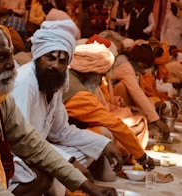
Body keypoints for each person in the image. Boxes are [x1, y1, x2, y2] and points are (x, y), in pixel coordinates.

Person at [0, 18, 120, 196]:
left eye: (10, 54)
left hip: (0, 174)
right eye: (0, 57)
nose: (10, 64)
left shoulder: (0, 98)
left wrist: (86, 185)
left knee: (52, 169)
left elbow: (33, 144)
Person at [11, 19, 123, 194]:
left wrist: (104, 144)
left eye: (62, 61)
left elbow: (61, 132)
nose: (55, 65)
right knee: (47, 175)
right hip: (17, 155)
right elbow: (22, 142)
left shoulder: (55, 83)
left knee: (85, 151)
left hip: (39, 150)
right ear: (39, 57)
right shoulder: (25, 83)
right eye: (50, 58)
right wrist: (70, 163)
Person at [62, 41, 155, 169]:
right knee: (105, 133)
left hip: (61, 135)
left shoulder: (68, 76)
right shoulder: (80, 94)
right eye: (101, 76)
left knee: (116, 125)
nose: (101, 81)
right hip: (55, 146)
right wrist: (142, 156)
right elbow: (112, 123)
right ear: (91, 73)